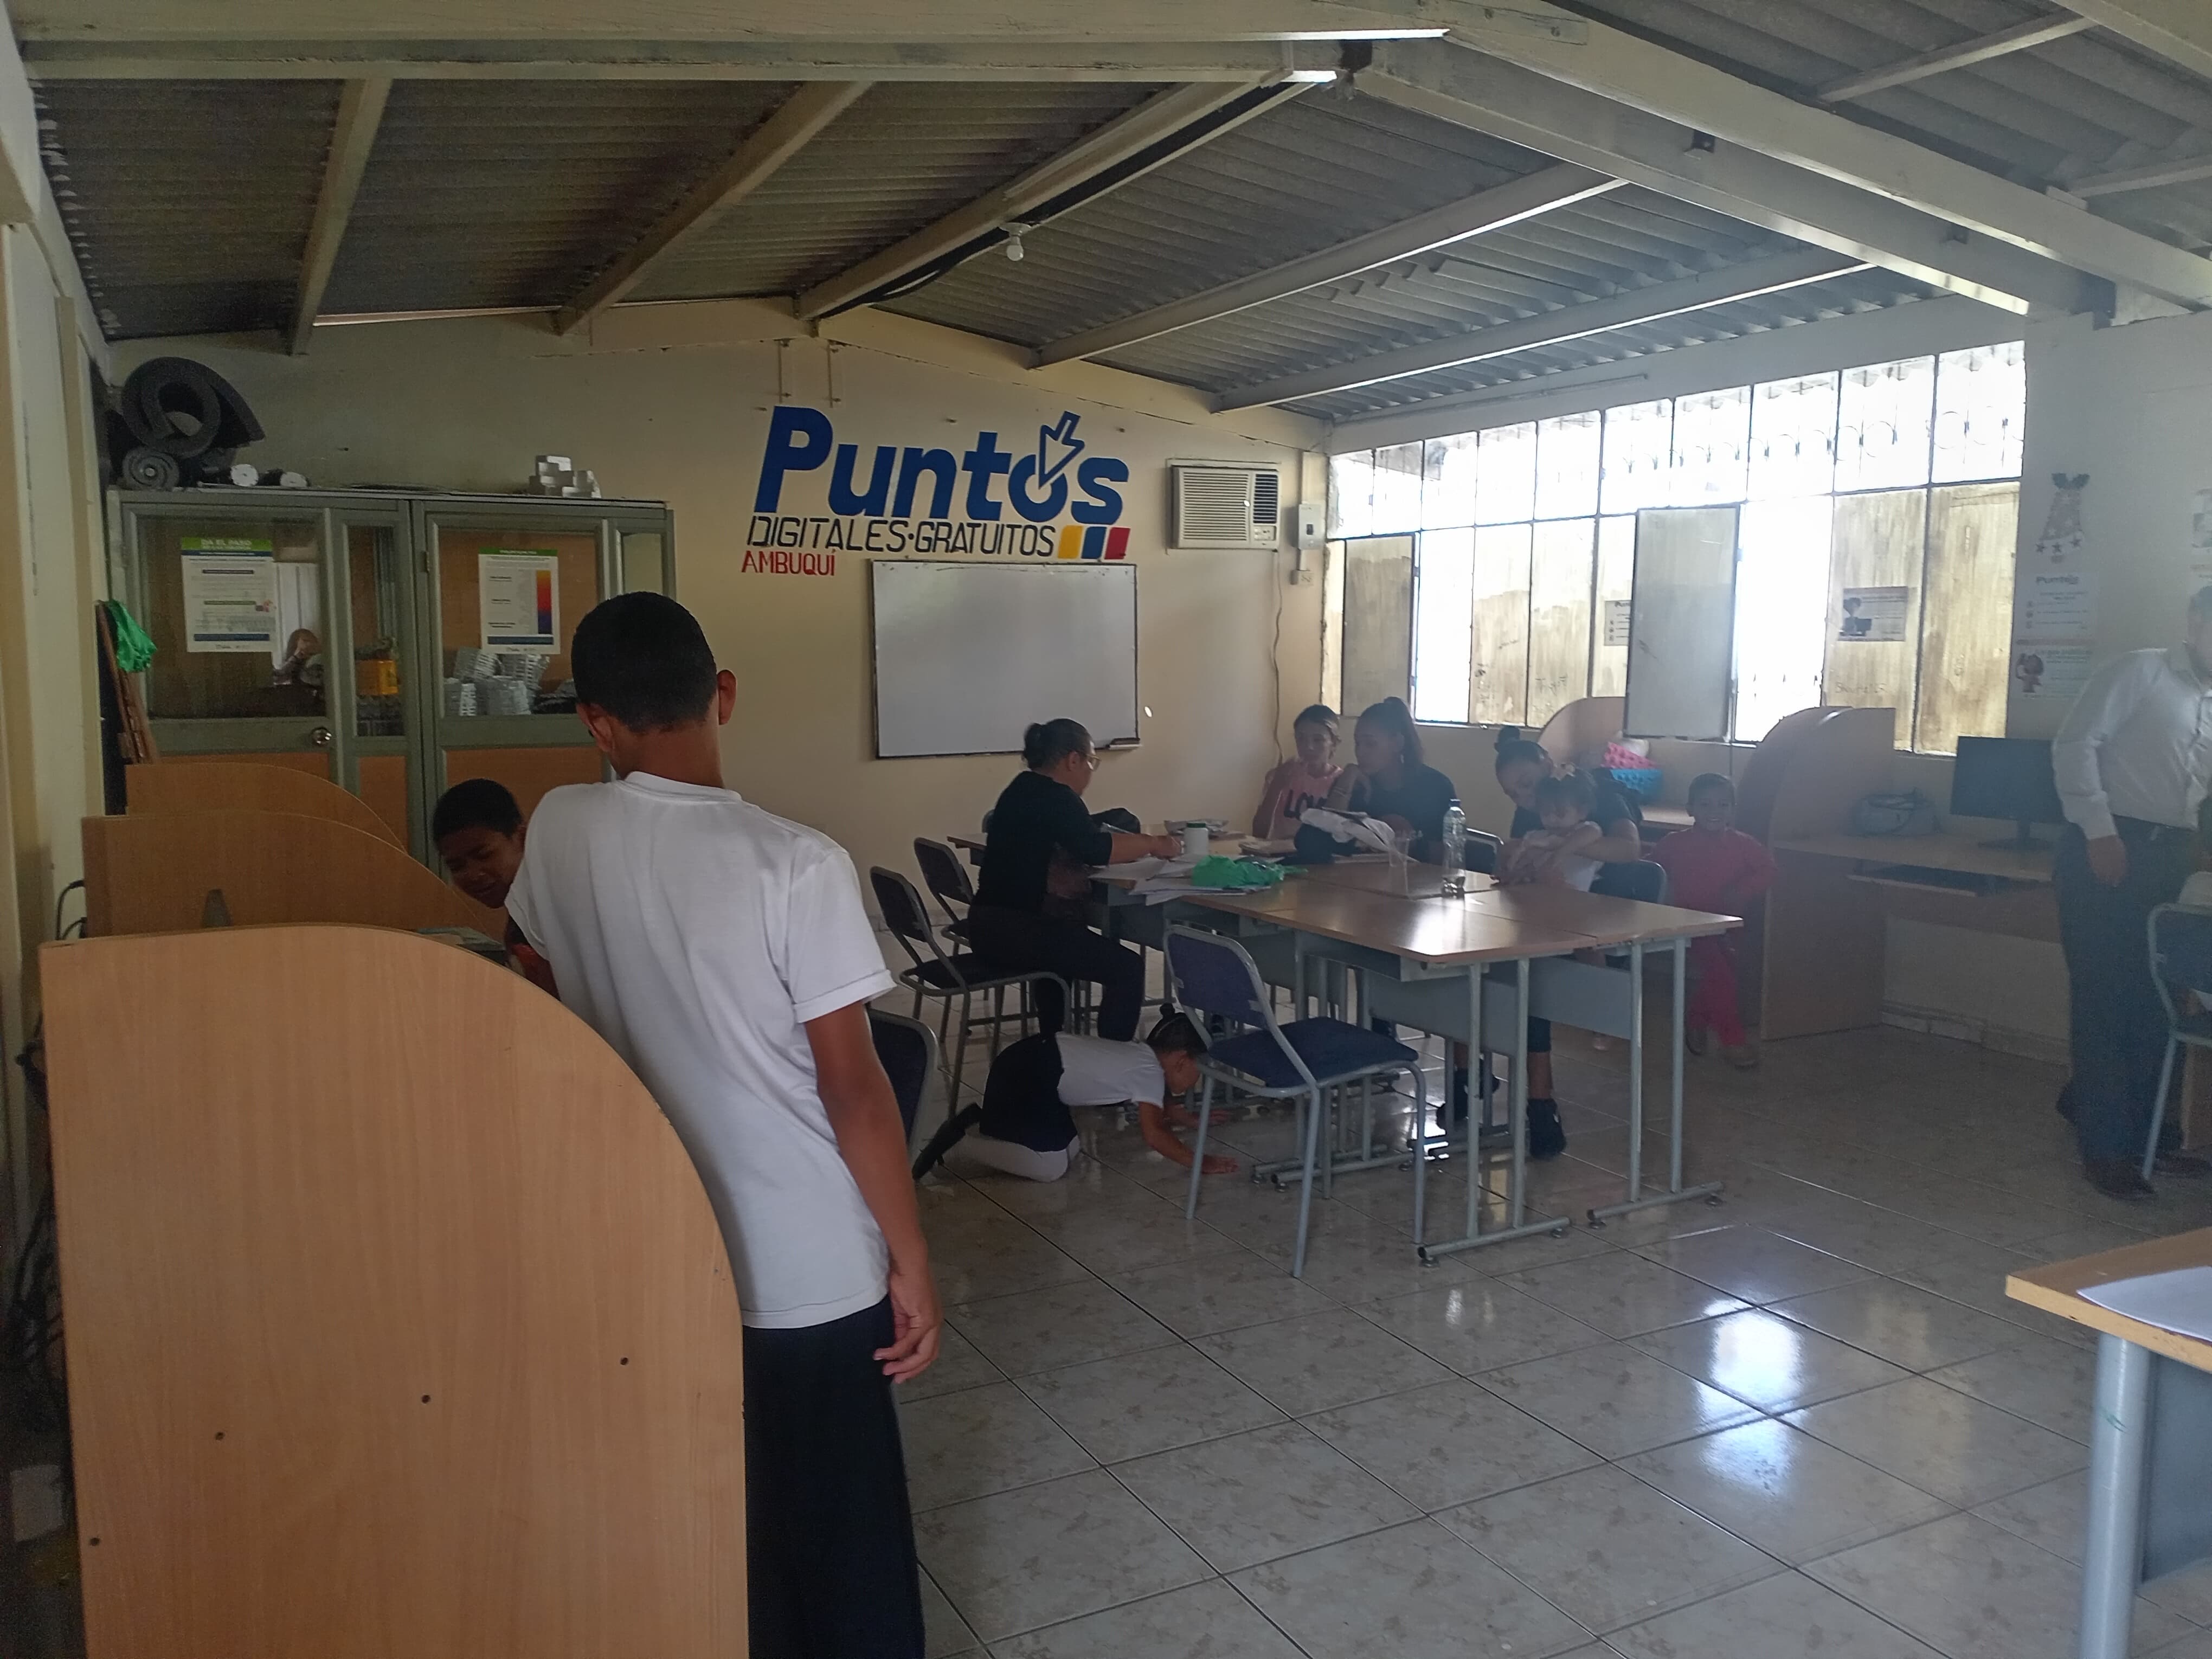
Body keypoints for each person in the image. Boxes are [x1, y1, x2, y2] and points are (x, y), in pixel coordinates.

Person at [501, 592, 937, 1659]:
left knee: (725, 1520)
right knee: (842, 1529)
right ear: (724, 695)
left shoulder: (558, 826)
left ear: (596, 722)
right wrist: (913, 1259)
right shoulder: (796, 861)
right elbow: (854, 1090)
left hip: (652, 1245)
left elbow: (531, 965)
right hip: (805, 1264)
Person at [2054, 588, 2212, 1200]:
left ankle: (2145, 1135)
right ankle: (2107, 1152)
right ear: (2195, 622)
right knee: (2106, 996)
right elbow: (2076, 745)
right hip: (2111, 844)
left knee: (2156, 999)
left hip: (2173, 858)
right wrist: (2100, 832)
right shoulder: (2142, 671)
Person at [967, 719, 1180, 1042]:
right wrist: (1153, 844)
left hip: (991, 925)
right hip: (1021, 929)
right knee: (1127, 968)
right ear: (1073, 760)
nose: (1091, 771)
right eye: (1092, 762)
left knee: (1065, 945)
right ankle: (1110, 1061)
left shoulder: (1021, 787)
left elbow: (1079, 838)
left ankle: (1054, 1040)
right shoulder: (1057, 797)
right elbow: (1095, 849)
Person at [910, 1010, 1237, 1182]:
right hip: (1024, 1077)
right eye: (1200, 1070)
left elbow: (1160, 1102)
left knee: (1070, 1149)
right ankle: (960, 1142)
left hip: (1032, 1066)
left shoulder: (1144, 1058)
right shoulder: (1150, 1073)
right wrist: (1201, 1163)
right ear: (1181, 1060)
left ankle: (984, 1122)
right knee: (1050, 1167)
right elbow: (1155, 1135)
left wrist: (1189, 1119)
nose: (1198, 1080)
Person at [1651, 773, 1776, 1070]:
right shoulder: (1674, 843)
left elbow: (1769, 870)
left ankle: (1696, 1019)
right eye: (1705, 805)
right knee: (1720, 975)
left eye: (1723, 805)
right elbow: (1650, 869)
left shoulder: (1743, 844)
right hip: (1689, 925)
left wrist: (1743, 890)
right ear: (1690, 809)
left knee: (1722, 975)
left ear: (1733, 810)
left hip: (1729, 924)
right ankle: (1732, 1041)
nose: (1714, 812)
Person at [432, 776, 554, 992]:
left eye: (484, 855)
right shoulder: (521, 909)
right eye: (457, 866)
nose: (473, 875)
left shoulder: (550, 910)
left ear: (522, 838)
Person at [1323, 697, 1459, 860]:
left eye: (1370, 744)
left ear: (1397, 743)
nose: (1360, 752)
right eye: (1358, 743)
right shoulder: (1355, 785)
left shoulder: (1435, 787)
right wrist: (1347, 779)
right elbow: (1324, 836)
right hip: (1359, 874)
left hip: (1418, 875)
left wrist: (1410, 842)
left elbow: (1449, 855)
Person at [1252, 704, 1343, 839]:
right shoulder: (1280, 776)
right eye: (1301, 739)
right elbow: (1258, 833)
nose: (1309, 747)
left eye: (1318, 740)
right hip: (1280, 851)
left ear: (1334, 744)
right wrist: (1276, 786)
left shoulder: (1343, 782)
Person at [1502, 771, 1604, 891]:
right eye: (1545, 813)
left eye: (1560, 813)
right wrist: (1518, 870)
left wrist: (1555, 858)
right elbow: (1523, 865)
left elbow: (1594, 831)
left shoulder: (1583, 832)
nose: (1552, 819)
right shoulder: (1536, 837)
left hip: (1574, 900)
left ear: (1582, 812)